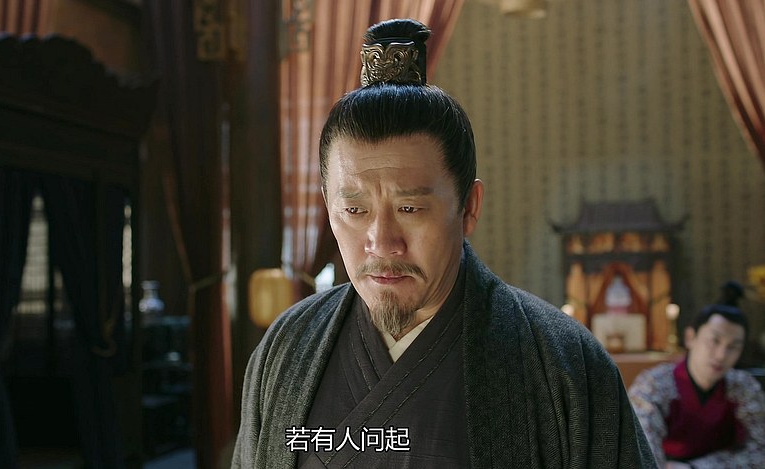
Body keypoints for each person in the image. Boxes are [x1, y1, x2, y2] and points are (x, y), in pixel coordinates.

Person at [233, 18, 655, 468]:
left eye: (409, 208)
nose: (382, 242)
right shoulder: (289, 347)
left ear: (469, 206)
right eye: (355, 211)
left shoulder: (563, 364)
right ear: (328, 208)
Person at [629, 304, 765, 468]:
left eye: (733, 347)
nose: (721, 355)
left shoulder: (744, 387)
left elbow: (760, 450)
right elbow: (640, 452)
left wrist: (695, 467)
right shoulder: (653, 384)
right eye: (714, 341)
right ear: (690, 338)